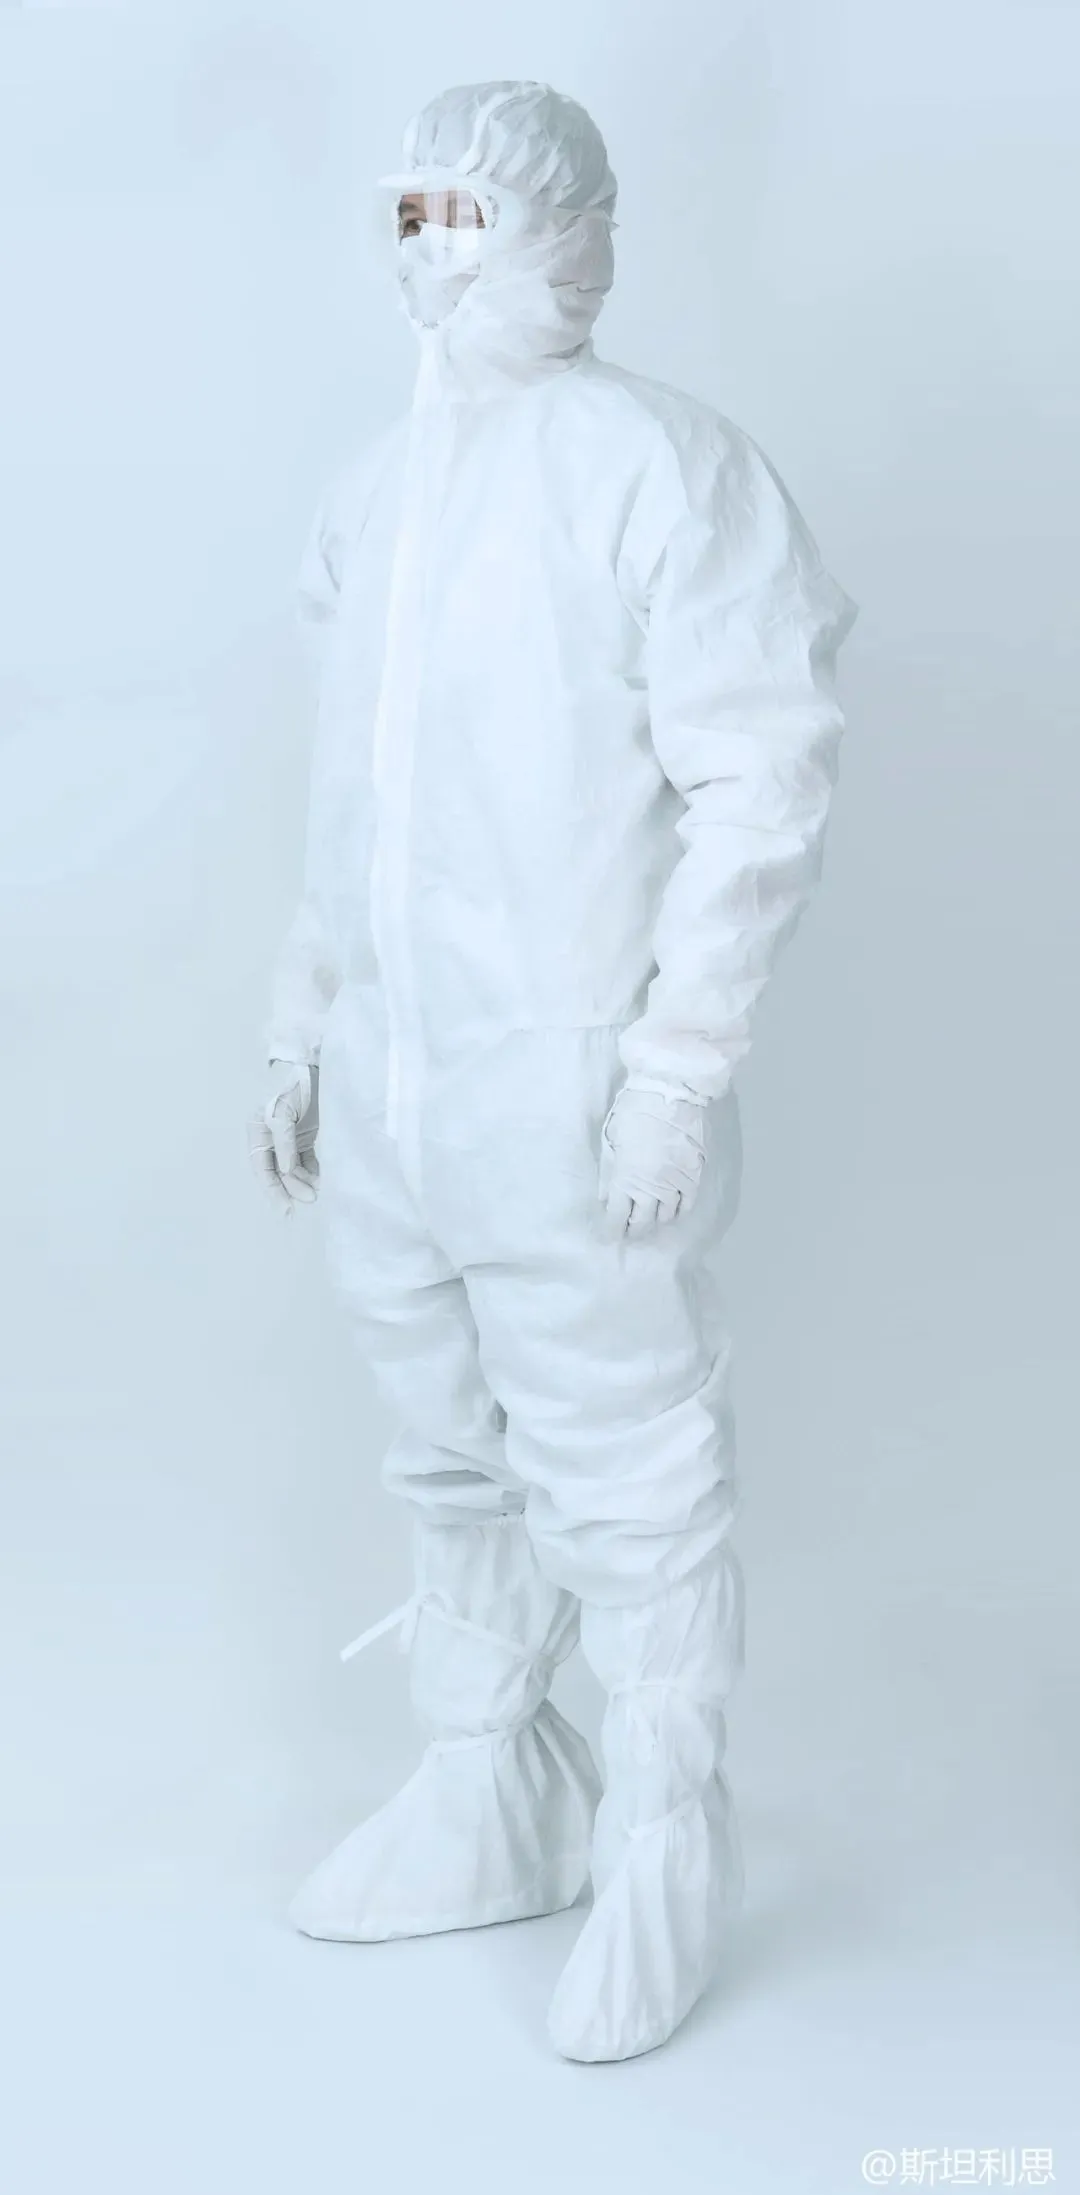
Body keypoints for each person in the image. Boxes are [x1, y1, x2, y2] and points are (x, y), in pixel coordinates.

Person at [248, 78, 855, 2063]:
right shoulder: (377, 492)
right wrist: (305, 1012)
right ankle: (489, 1781)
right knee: (445, 1447)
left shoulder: (660, 467)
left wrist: (677, 1064)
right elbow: (358, 800)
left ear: (561, 225)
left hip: (566, 1074)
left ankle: (664, 1829)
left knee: (625, 1461)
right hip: (398, 1076)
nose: (433, 253)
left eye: (470, 213)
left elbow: (761, 779)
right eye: (408, 213)